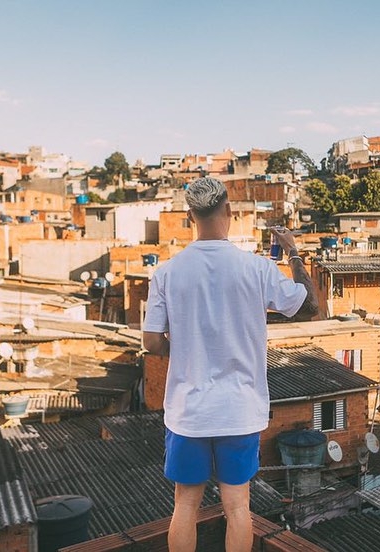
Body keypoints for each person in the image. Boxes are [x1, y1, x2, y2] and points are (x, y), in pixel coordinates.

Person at [142, 177, 318, 552]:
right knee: (238, 507)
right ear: (230, 212)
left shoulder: (167, 273)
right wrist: (293, 253)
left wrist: (189, 348)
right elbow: (307, 304)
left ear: (190, 216)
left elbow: (152, 341)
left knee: (184, 505)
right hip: (239, 410)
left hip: (189, 412)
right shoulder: (255, 269)